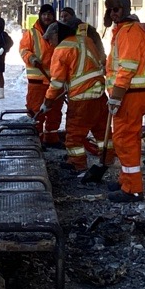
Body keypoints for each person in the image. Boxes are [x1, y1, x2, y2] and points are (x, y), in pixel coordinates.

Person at [41, 16, 111, 173]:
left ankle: (77, 164)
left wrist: (48, 101)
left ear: (56, 35)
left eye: (50, 40)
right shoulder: (86, 41)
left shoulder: (62, 49)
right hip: (99, 95)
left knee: (74, 136)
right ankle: (107, 159)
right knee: (102, 132)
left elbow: (57, 82)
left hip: (81, 99)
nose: (50, 44)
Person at [104, 0, 145, 203]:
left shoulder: (129, 32)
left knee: (125, 140)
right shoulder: (125, 31)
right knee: (125, 139)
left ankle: (133, 189)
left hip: (129, 95)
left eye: (116, 9)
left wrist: (116, 95)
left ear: (124, 9)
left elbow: (128, 66)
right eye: (110, 10)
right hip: (132, 94)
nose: (113, 13)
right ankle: (126, 181)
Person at [18, 3, 62, 145]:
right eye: (44, 14)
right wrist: (31, 58)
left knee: (54, 113)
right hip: (37, 81)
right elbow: (24, 49)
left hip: (55, 80)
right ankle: (35, 141)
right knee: (35, 111)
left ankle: (51, 139)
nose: (46, 17)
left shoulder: (59, 31)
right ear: (40, 15)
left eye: (49, 14)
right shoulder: (31, 33)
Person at [0, 15, 12, 99]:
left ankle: (1, 91)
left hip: (0, 57)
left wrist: (4, 49)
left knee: (0, 74)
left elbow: (10, 43)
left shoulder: (3, 35)